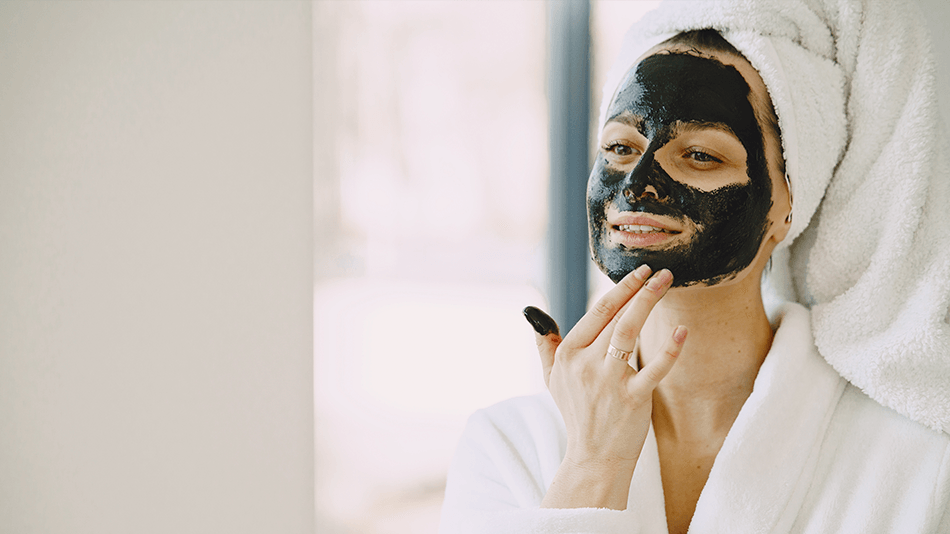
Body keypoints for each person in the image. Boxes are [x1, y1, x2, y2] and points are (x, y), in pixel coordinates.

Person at [439, 1, 950, 533]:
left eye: (702, 155)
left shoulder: (920, 465)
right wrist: (593, 463)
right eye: (619, 146)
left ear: (785, 205)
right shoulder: (506, 447)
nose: (638, 184)